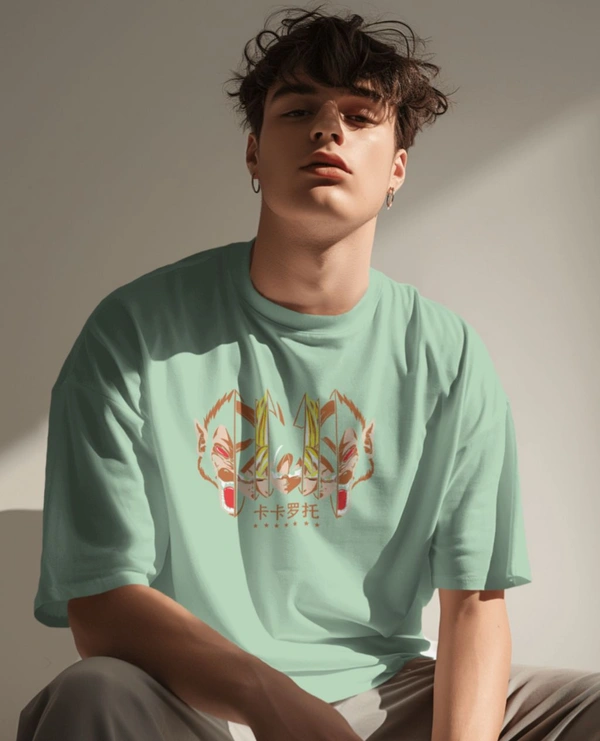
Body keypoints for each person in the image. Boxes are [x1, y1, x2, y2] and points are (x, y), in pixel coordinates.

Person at [17, 5, 600, 741]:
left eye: (359, 116)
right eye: (299, 111)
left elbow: (475, 606)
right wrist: (275, 703)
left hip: (388, 702)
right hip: (195, 704)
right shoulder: (134, 334)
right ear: (253, 155)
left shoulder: (447, 355)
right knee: (91, 693)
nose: (328, 130)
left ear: (397, 169)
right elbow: (101, 604)